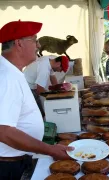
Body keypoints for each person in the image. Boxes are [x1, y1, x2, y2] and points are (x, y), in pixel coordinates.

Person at [0, 20, 73, 180]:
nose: (38, 45)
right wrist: (49, 149)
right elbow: (4, 131)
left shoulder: (12, 71)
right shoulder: (6, 76)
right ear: (19, 44)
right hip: (8, 167)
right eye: (34, 40)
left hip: (17, 160)